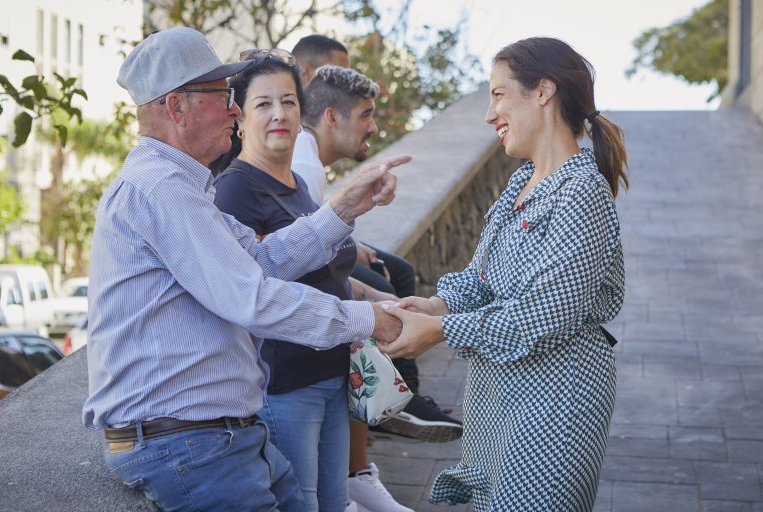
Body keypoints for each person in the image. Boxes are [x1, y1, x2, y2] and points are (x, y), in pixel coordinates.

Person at [84, 27, 409, 512]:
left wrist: (343, 208)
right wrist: (369, 320)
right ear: (175, 107)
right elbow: (253, 297)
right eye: (222, 95)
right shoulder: (160, 188)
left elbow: (262, 260)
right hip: (190, 447)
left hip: (213, 440)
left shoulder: (181, 185)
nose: (234, 108)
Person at [381, 37, 628, 511]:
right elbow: (481, 278)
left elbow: (543, 316)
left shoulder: (582, 193)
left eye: (498, 94)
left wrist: (438, 330)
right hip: (502, 396)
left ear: (543, 92)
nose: (489, 113)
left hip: (555, 403)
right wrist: (435, 305)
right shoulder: (521, 180)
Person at [210, 52, 395, 512]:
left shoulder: (298, 186)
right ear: (239, 116)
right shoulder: (235, 189)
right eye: (264, 103)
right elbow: (253, 287)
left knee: (333, 501)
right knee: (302, 504)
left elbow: (330, 275)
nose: (279, 114)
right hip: (284, 383)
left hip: (331, 373)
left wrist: (389, 301)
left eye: (289, 101)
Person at [292, 34, 463, 445]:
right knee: (381, 290)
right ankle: (390, 404)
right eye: (366, 114)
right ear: (331, 115)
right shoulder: (303, 160)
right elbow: (297, 254)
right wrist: (366, 291)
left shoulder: (309, 157)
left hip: (313, 267)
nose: (373, 126)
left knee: (395, 273)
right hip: (300, 309)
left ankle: (403, 398)